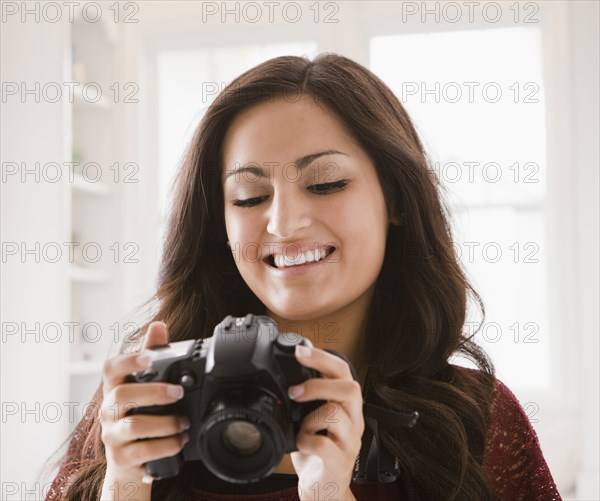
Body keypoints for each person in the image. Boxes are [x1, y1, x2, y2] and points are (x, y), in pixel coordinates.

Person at [44, 53, 561, 501]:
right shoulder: (142, 405)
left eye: (327, 183)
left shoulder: (480, 423)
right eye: (249, 197)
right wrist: (122, 488)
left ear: (397, 200)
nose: (284, 223)